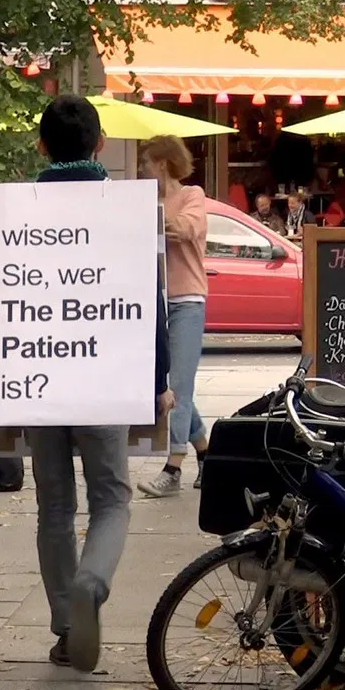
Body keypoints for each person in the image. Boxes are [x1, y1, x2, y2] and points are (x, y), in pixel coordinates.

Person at [29, 95, 173, 673]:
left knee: (54, 506)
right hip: (107, 373)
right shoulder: (128, 211)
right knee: (111, 497)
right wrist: (158, 378)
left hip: (39, 374)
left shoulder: (22, 211)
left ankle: (67, 627)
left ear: (41, 147)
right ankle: (93, 581)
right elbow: (151, 300)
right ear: (101, 145)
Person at [136, 135, 210, 498]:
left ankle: (173, 467)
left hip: (186, 301)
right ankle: (207, 455)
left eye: (146, 162)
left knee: (177, 386)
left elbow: (185, 228)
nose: (141, 169)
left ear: (162, 164)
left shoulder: (192, 196)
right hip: (153, 302)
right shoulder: (143, 200)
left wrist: (150, 216)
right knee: (172, 382)